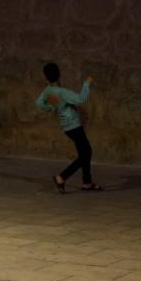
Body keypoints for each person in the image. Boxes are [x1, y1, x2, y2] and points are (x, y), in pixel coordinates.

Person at [34, 62, 102, 193]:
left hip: (66, 127)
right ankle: (62, 177)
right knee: (86, 153)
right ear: (59, 75)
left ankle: (87, 182)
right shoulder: (62, 92)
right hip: (74, 125)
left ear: (46, 77)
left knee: (84, 152)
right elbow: (81, 99)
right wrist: (86, 83)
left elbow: (39, 103)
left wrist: (50, 108)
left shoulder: (48, 91)